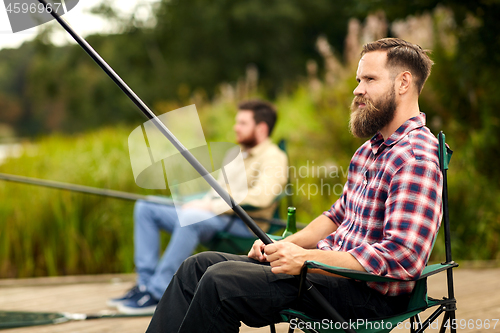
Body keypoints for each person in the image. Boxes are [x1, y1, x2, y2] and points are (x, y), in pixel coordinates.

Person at [145, 38, 444, 332]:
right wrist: (284, 245)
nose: (357, 89)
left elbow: (403, 257)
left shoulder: (415, 157)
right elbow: (336, 216)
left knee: (220, 281)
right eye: (358, 79)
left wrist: (306, 258)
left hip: (369, 295)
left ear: (403, 82)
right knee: (196, 268)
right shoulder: (369, 150)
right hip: (328, 273)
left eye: (369, 79)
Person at [109, 100, 288, 314]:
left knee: (191, 218)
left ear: (261, 128)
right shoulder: (236, 153)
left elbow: (262, 197)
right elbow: (216, 191)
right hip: (214, 214)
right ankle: (145, 284)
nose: (235, 127)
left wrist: (208, 206)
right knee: (146, 206)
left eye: (242, 123)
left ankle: (158, 292)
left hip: (245, 225)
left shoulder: (274, 157)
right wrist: (196, 200)